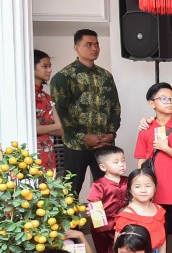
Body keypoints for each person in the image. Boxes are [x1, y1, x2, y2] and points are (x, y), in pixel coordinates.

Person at [50, 29, 120, 196]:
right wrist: (83, 137)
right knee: (70, 191)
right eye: (88, 44)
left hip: (103, 144)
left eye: (96, 44)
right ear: (76, 47)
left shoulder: (105, 76)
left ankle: (101, 223)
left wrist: (111, 133)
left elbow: (115, 106)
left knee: (106, 190)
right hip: (75, 145)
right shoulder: (63, 77)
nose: (94, 48)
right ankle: (71, 223)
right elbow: (61, 112)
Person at [135, 83, 172, 247]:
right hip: (154, 191)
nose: (169, 102)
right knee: (156, 234)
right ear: (151, 103)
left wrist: (166, 148)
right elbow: (141, 160)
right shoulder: (146, 128)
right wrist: (140, 187)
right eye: (164, 99)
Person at [114, 168, 168, 253]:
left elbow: (162, 239)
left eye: (148, 186)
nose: (143, 190)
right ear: (130, 189)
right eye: (138, 186)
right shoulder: (126, 215)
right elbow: (118, 244)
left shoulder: (159, 210)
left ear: (155, 188)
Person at [87, 145, 129, 253]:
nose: (121, 164)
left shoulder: (128, 181)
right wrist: (99, 225)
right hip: (104, 227)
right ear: (103, 167)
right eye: (116, 162)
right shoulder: (99, 185)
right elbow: (94, 205)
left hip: (123, 224)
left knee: (123, 252)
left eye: (123, 160)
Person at [33, 49, 63, 171]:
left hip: (49, 152)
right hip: (33, 153)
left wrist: (43, 129)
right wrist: (52, 127)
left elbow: (60, 129)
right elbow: (35, 129)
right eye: (45, 66)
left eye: (49, 66)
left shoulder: (46, 96)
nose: (49, 70)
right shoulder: (26, 95)